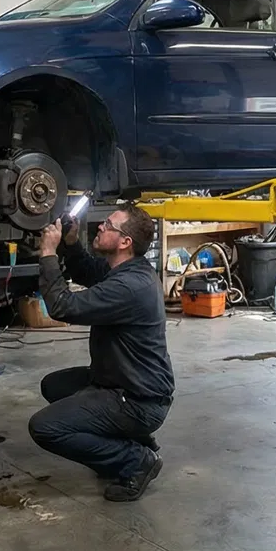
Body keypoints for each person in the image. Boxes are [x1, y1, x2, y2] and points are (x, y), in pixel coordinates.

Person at [27, 205, 172, 502]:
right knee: (54, 386)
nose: (101, 227)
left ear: (125, 242)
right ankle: (131, 438)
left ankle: (134, 460)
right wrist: (70, 242)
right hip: (123, 382)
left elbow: (63, 307)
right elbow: (87, 270)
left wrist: (48, 253)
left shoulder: (130, 286)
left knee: (44, 427)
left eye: (109, 225)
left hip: (136, 400)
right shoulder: (128, 269)